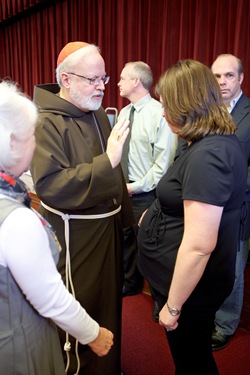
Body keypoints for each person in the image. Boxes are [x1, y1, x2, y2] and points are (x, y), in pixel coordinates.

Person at [137, 59, 247, 374]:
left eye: (167, 104)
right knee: (189, 357)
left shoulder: (209, 154)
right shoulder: (207, 141)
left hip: (192, 290)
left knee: (192, 361)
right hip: (191, 284)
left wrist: (173, 306)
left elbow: (199, 246)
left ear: (187, 105)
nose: (162, 111)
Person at [30, 42, 134, 375]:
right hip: (78, 238)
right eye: (93, 79)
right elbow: (52, 185)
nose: (102, 86)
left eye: (103, 78)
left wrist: (127, 221)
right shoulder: (45, 123)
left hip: (108, 231)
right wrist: (109, 162)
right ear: (65, 79)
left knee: (109, 304)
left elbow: (115, 173)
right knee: (83, 308)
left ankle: (109, 366)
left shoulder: (97, 114)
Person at [0, 80, 114, 374]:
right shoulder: (16, 220)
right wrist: (94, 334)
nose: (35, 144)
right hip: (19, 346)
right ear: (11, 141)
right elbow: (51, 298)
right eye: (30, 136)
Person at [118, 61, 178, 320]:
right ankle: (131, 284)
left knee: (152, 248)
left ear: (136, 82)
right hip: (124, 191)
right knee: (127, 241)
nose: (117, 82)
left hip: (147, 193)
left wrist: (135, 187)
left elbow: (162, 162)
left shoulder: (160, 113)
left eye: (122, 78)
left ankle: (160, 299)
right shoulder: (123, 113)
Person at [210, 54, 250, 350]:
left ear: (240, 78)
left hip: (239, 207)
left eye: (228, 76)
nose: (222, 81)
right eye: (217, 76)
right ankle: (208, 315)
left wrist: (226, 188)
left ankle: (225, 324)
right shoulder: (208, 111)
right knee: (208, 262)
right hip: (206, 204)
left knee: (232, 269)